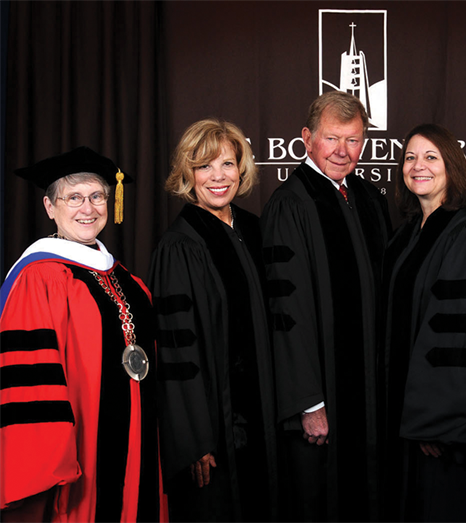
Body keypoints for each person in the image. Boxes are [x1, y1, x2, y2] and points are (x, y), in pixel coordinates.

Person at [0, 146, 167, 523]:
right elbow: (31, 385)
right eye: (73, 198)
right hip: (76, 455)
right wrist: (51, 463)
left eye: (97, 196)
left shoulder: (131, 282)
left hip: (138, 445)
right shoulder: (37, 277)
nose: (87, 209)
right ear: (49, 207)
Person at [260, 91, 392, 523]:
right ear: (307, 138)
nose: (342, 151)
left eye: (353, 141)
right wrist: (309, 402)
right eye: (332, 138)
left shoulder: (370, 198)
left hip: (368, 396)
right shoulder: (290, 204)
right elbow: (286, 310)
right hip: (322, 399)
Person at [147, 118, 278, 523]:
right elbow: (174, 349)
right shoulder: (179, 246)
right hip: (214, 432)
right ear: (187, 174)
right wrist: (193, 440)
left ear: (242, 168)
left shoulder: (255, 230)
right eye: (204, 166)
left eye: (227, 164)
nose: (218, 177)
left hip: (262, 418)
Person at [382, 124, 466, 523]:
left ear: (452, 166)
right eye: (410, 158)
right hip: (405, 419)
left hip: (442, 431)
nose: (419, 166)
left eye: (431, 157)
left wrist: (439, 424)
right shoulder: (407, 235)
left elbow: (464, 338)